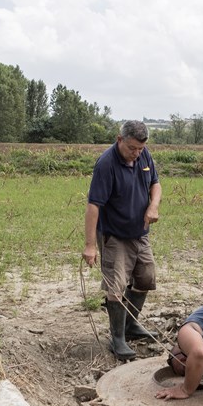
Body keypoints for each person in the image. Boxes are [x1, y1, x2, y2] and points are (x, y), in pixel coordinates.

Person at [83, 120, 162, 361]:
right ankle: (117, 338)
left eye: (140, 149)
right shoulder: (106, 164)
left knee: (146, 277)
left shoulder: (144, 155)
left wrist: (153, 206)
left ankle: (131, 324)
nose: (136, 154)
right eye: (131, 149)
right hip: (114, 235)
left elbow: (156, 185)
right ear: (120, 140)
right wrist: (89, 245)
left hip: (140, 232)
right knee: (115, 287)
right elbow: (93, 205)